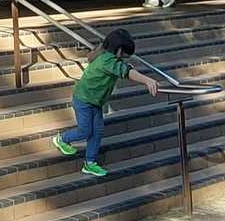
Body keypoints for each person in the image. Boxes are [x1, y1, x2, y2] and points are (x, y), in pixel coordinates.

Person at [52, 27, 160, 176]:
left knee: (97, 132)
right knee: (85, 130)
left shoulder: (105, 54)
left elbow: (123, 67)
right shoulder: (107, 60)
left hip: (95, 101)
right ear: (119, 50)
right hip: (83, 100)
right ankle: (62, 139)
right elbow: (125, 71)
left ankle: (90, 163)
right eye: (125, 55)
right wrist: (147, 80)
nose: (125, 58)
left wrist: (129, 67)